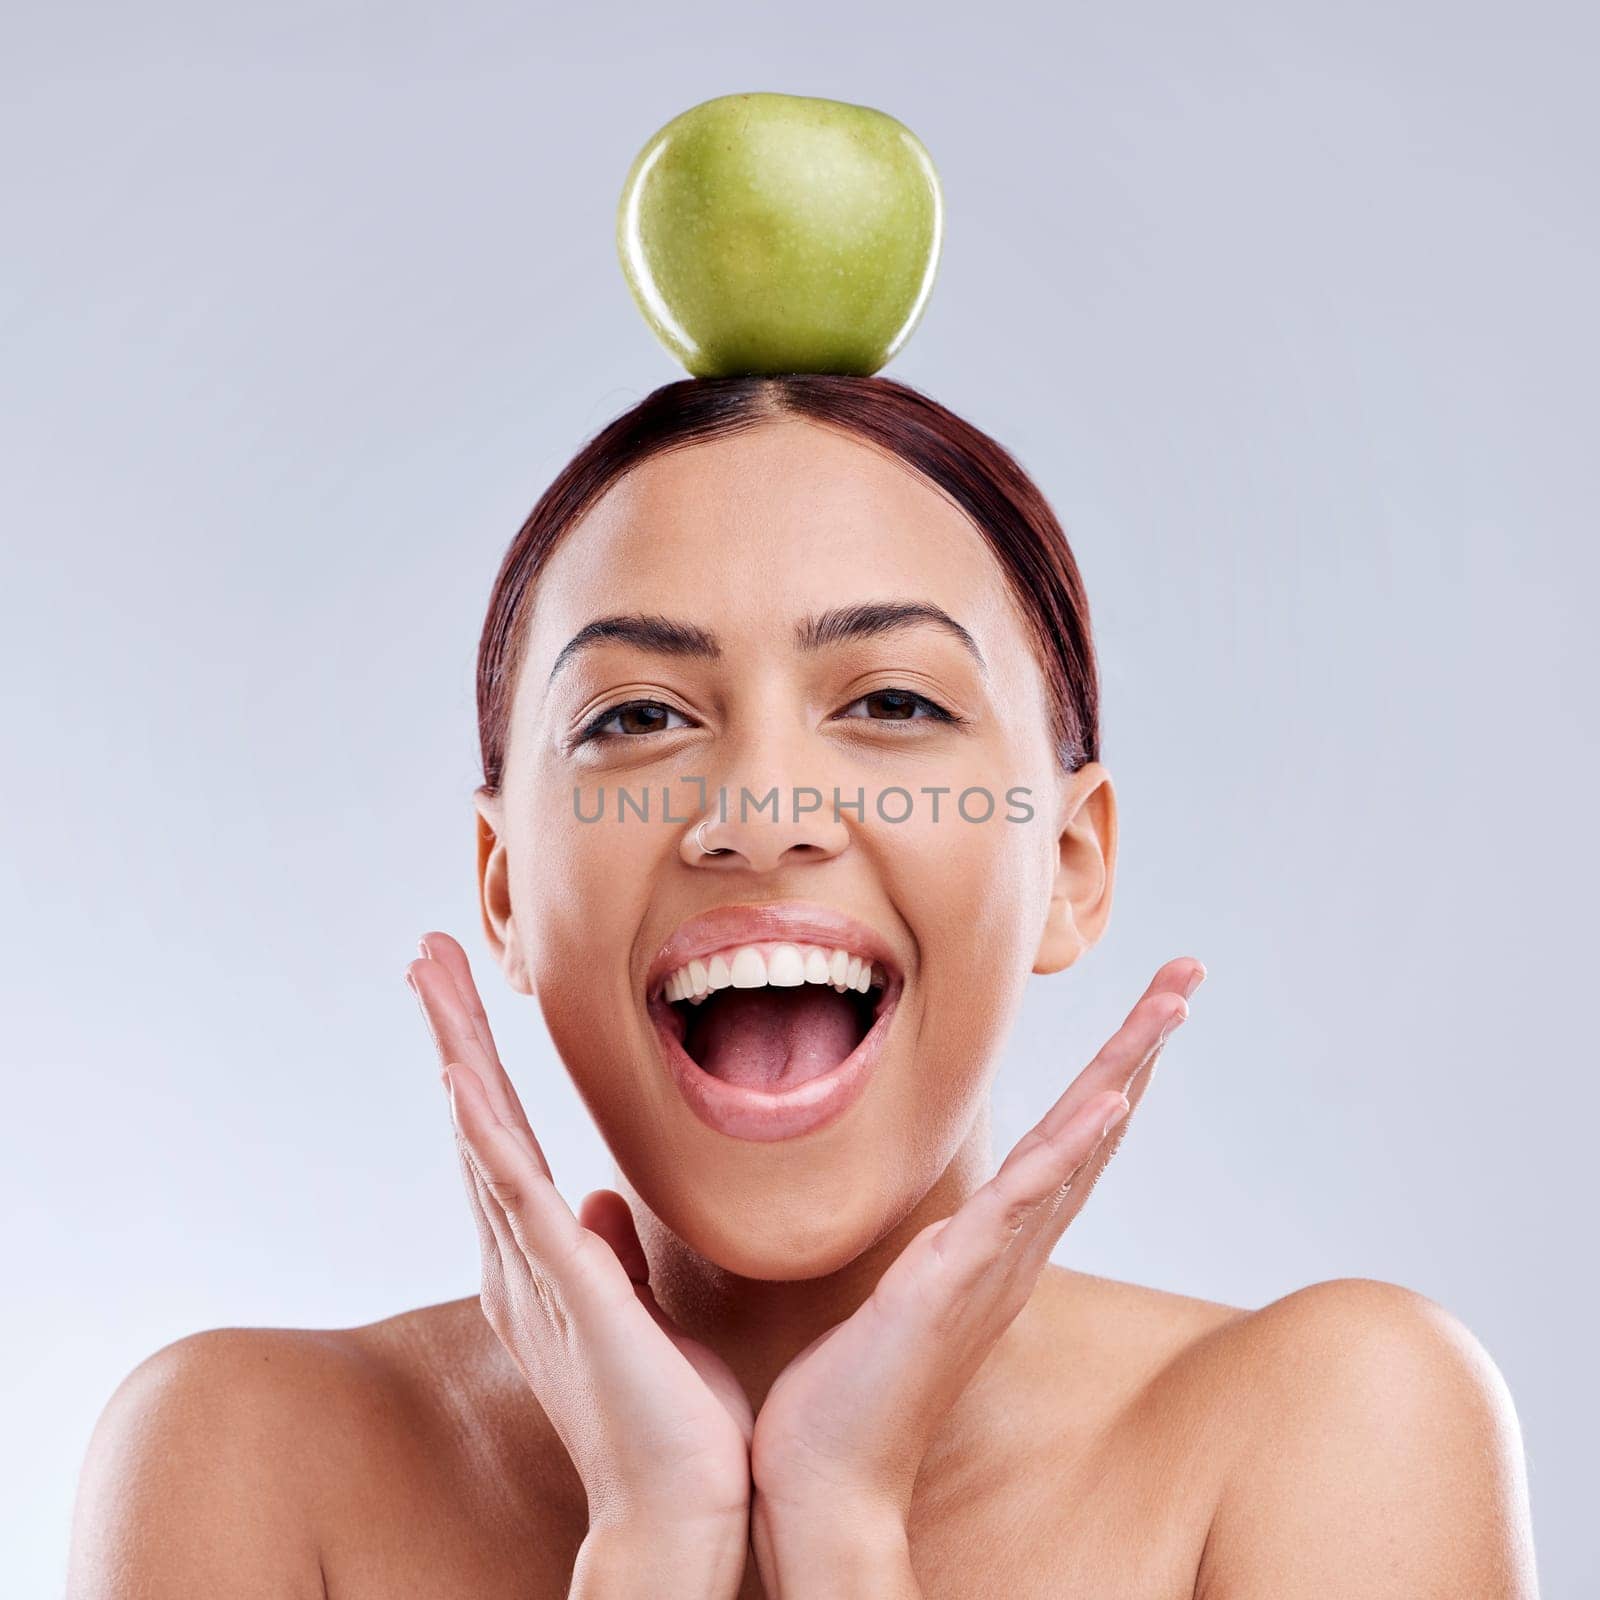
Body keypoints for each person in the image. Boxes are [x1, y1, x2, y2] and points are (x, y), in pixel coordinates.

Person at [65, 375, 1538, 1598]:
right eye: (638, 716)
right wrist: (652, 1545)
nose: (759, 812)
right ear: (504, 887)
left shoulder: (1340, 1432)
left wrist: (838, 1528)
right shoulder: (243, 1462)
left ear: (1074, 860)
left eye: (893, 703)